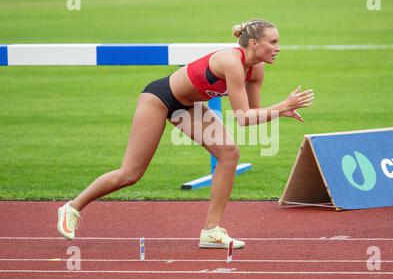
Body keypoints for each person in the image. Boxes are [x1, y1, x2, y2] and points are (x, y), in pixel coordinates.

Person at [57, 19, 314, 249]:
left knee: (229, 153)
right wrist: (282, 106)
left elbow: (252, 114)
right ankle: (72, 207)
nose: (279, 47)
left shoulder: (255, 70)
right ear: (255, 43)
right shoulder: (231, 62)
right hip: (159, 98)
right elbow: (242, 117)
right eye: (274, 42)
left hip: (188, 106)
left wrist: (280, 111)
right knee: (130, 174)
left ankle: (211, 231)